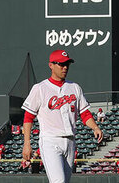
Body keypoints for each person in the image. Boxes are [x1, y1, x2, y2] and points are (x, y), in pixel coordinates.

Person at [20, 50, 103, 183]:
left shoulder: (75, 87)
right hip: (50, 141)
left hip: (70, 141)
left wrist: (95, 127)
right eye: (61, 64)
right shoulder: (40, 88)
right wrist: (27, 143)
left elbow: (84, 113)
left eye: (67, 64)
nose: (65, 67)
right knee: (58, 181)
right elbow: (28, 117)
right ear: (51, 65)